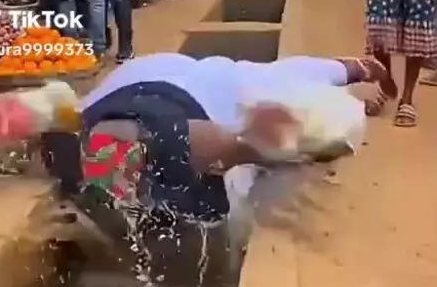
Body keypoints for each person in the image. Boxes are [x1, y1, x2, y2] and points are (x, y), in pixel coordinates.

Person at [42, 52, 391, 239]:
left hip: (116, 96)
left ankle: (100, 164)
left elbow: (339, 68)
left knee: (106, 157)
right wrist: (363, 70)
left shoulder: (269, 76)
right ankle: (241, 147)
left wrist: (362, 68)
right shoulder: (266, 78)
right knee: (215, 156)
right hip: (179, 118)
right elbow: (334, 72)